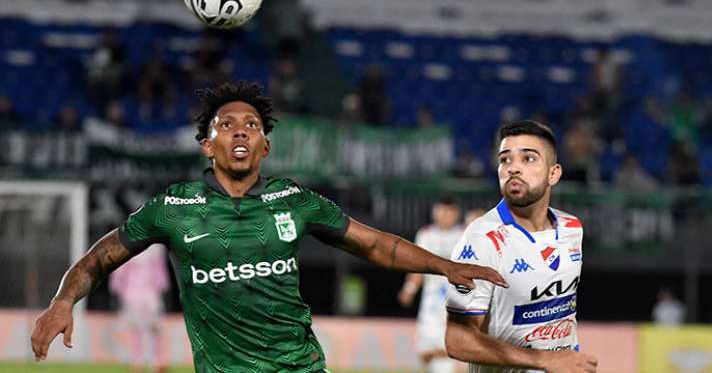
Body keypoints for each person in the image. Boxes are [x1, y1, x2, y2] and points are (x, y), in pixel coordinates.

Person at [30, 81, 506, 372]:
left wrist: (443, 266)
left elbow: (376, 245)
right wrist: (61, 301)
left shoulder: (295, 201)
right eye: (226, 124)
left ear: (266, 147)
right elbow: (100, 257)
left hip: (299, 367)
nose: (240, 130)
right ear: (206, 145)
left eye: (252, 124)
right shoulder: (172, 208)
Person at [444, 120, 598, 373]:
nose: (513, 168)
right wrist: (544, 360)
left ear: (553, 174)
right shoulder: (482, 239)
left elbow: (563, 315)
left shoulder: (572, 228)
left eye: (528, 159)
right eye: (505, 160)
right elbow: (457, 341)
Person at [398, 198, 464, 373]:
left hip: (455, 300)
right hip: (430, 301)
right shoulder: (426, 235)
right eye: (440, 211)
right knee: (426, 352)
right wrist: (409, 289)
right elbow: (416, 266)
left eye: (447, 212)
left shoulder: (464, 235)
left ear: (455, 214)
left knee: (447, 348)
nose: (443, 216)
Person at [109, 244, 170, 373]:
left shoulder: (156, 247)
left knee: (155, 327)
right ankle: (137, 361)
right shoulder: (128, 244)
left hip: (151, 292)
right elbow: (120, 270)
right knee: (134, 327)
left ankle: (156, 361)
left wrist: (163, 288)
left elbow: (160, 268)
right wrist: (117, 290)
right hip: (132, 292)